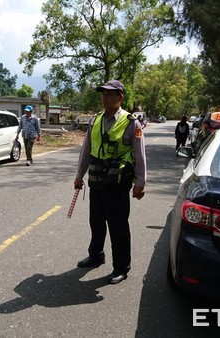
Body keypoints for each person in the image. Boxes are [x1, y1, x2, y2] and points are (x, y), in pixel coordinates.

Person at [73, 79, 147, 285]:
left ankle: (121, 267)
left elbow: (140, 156)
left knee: (118, 226)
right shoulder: (94, 120)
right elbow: (86, 151)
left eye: (109, 93)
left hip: (117, 183)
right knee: (96, 222)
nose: (104, 97)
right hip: (96, 181)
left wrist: (141, 182)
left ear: (120, 97)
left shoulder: (132, 123)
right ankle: (96, 255)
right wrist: (79, 175)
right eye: (103, 93)